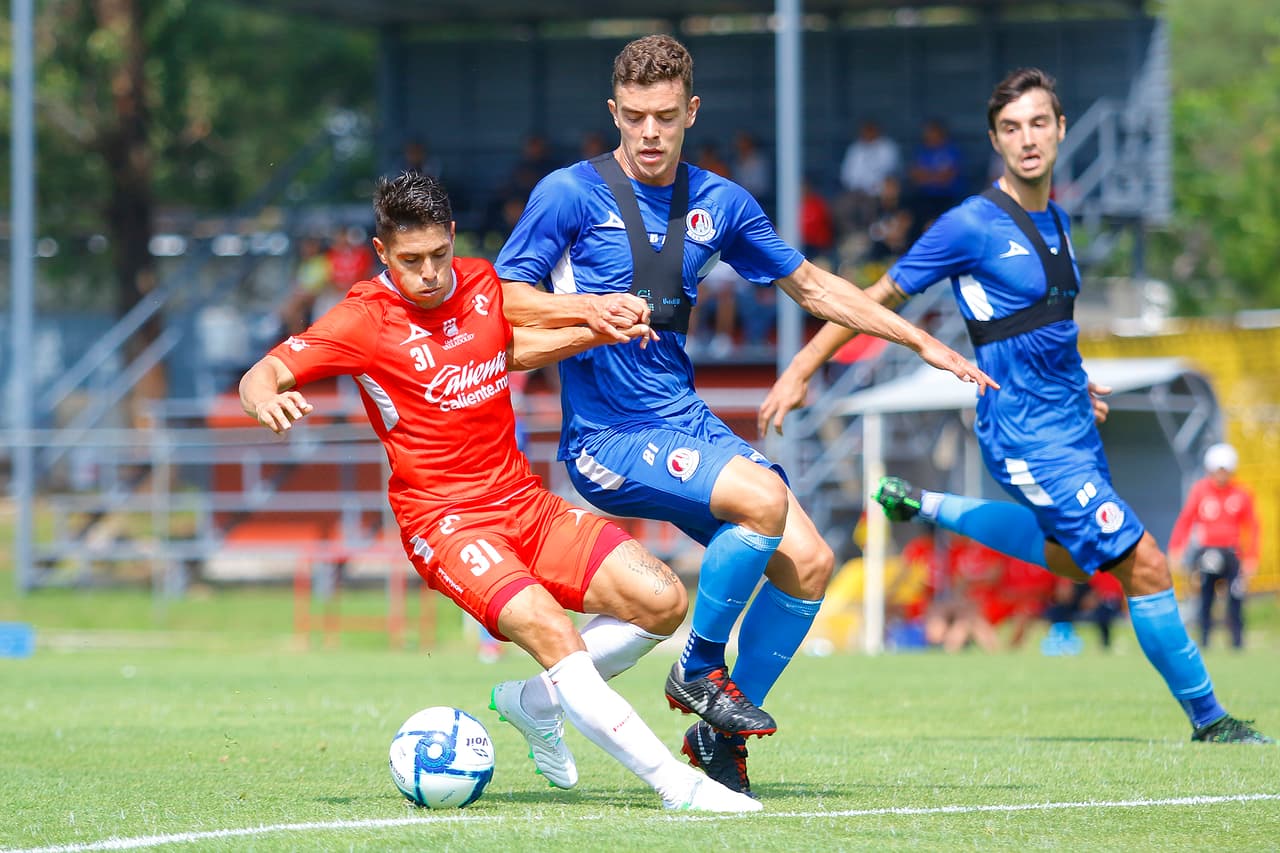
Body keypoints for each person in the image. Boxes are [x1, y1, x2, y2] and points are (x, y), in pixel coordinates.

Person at [494, 34, 997, 797]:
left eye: (666, 116)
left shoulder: (721, 203)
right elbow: (501, 299)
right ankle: (698, 668)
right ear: (615, 113)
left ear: (691, 111)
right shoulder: (568, 193)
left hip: (682, 417)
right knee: (762, 500)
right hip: (608, 434)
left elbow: (815, 287)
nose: (651, 132)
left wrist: (918, 338)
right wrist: (587, 309)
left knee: (811, 561)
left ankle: (714, 731)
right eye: (636, 117)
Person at [759, 67, 1272, 744]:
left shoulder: (1056, 220)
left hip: (1071, 421)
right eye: (1010, 128)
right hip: (1025, 432)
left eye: (1037, 124)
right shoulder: (969, 225)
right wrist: (801, 368)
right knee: (1144, 561)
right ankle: (1211, 719)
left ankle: (925, 504)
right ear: (996, 141)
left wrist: (1077, 382)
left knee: (1074, 561)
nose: (1026, 138)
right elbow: (875, 297)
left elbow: (1048, 327)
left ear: (1059, 130)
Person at [238, 172, 761, 813]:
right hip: (447, 522)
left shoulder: (482, 282)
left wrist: (597, 330)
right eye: (411, 260)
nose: (429, 273)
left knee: (662, 601)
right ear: (382, 252)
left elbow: (508, 351)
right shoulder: (363, 318)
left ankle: (535, 702)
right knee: (552, 631)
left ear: (453, 238)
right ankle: (678, 786)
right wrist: (266, 400)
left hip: (523, 502)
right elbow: (263, 372)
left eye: (439, 255)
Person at [1168, 442, 1260, 650]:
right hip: (1207, 552)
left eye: (1224, 470)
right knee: (1205, 596)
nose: (1221, 475)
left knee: (1235, 597)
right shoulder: (1200, 491)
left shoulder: (1241, 493)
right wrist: (1177, 547)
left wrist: (1252, 557)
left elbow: (1253, 527)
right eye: (1217, 470)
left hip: (1232, 553)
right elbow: (1186, 520)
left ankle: (1237, 642)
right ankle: (1204, 641)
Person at [836, 119, 901, 233]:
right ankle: (854, 235)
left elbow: (890, 171)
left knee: (868, 209)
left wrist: (874, 187)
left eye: (870, 131)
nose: (867, 134)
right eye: (865, 131)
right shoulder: (855, 148)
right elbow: (847, 175)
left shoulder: (887, 147)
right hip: (856, 191)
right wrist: (857, 188)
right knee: (841, 207)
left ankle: (870, 236)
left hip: (879, 192)